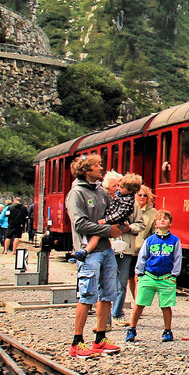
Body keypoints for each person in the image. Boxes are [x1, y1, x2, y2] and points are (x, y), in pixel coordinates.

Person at [65, 153, 126, 359]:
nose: (101, 168)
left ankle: (100, 338)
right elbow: (79, 224)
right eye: (97, 165)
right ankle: (77, 341)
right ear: (86, 170)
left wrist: (121, 224)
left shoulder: (101, 191)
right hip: (88, 252)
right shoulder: (76, 194)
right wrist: (109, 231)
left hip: (106, 249)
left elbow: (111, 214)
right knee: (87, 295)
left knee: (109, 292)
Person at [125, 209, 181, 343]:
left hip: (166, 278)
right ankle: (132, 328)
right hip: (149, 276)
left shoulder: (175, 241)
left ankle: (167, 330)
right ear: (155, 223)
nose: (162, 220)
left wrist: (174, 275)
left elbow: (177, 258)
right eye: (159, 218)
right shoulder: (150, 240)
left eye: (166, 218)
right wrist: (139, 273)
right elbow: (142, 256)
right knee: (139, 303)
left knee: (166, 306)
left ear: (170, 223)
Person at [72, 171, 139, 263]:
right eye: (114, 186)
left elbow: (122, 215)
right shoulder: (108, 198)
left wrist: (129, 228)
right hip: (108, 245)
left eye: (120, 186)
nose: (117, 188)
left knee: (97, 234)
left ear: (129, 190)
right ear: (106, 188)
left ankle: (85, 251)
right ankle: (85, 251)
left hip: (123, 246)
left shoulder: (127, 201)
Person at [114, 185, 157, 323]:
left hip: (141, 250)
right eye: (140, 195)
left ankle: (136, 305)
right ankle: (130, 304)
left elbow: (152, 232)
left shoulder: (152, 212)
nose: (142, 197)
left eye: (145, 195)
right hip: (128, 249)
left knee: (138, 278)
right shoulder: (128, 208)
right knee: (129, 278)